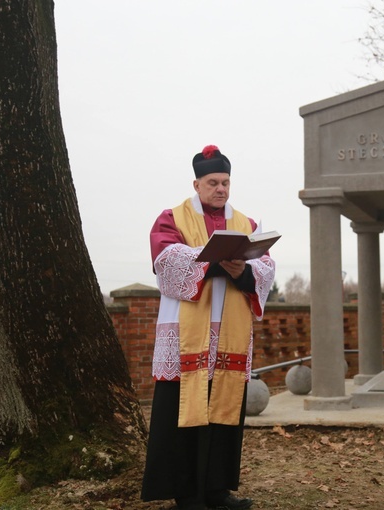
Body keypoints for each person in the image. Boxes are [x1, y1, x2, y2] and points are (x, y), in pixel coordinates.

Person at [141, 145, 276, 510]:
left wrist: (245, 271)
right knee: (183, 411)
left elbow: (265, 269)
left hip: (229, 333)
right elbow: (166, 261)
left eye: (226, 182)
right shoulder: (171, 217)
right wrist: (217, 264)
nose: (221, 189)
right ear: (197, 183)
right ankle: (186, 494)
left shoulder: (246, 223)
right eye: (213, 182)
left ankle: (218, 490)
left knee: (224, 409)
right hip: (186, 332)